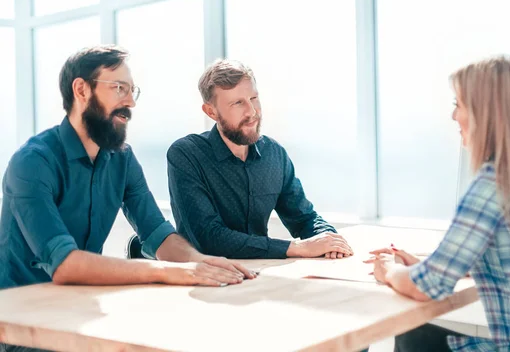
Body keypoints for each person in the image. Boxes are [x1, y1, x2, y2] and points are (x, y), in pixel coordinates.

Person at [368, 56, 510, 352]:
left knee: (413, 338)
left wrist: (388, 269)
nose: (454, 116)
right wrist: (430, 263)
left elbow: (425, 288)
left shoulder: (493, 183)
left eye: (459, 105)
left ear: (485, 114)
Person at [0, 46, 256, 293]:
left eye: (133, 90)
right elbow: (64, 264)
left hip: (77, 304)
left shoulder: (121, 158)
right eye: (119, 88)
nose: (131, 102)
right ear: (81, 90)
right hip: (17, 317)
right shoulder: (32, 162)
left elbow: (157, 233)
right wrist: (163, 271)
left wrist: (198, 262)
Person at [163, 59, 353, 259]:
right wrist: (296, 248)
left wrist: (329, 240)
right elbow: (209, 238)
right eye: (238, 103)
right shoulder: (186, 155)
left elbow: (304, 217)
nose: (252, 112)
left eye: (253, 98)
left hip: (256, 273)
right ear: (211, 112)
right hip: (202, 275)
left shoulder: (274, 154)